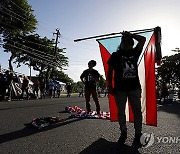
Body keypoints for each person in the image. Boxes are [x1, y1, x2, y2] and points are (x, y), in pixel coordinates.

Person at [107, 31, 146, 147]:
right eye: (124, 41)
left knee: (137, 111)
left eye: (129, 41)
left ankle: (138, 133)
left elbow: (142, 39)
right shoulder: (115, 55)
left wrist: (130, 34)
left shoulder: (135, 52)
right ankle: (123, 131)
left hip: (134, 87)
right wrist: (110, 86)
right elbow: (109, 72)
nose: (127, 43)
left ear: (132, 43)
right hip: (120, 88)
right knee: (121, 111)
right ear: (121, 42)